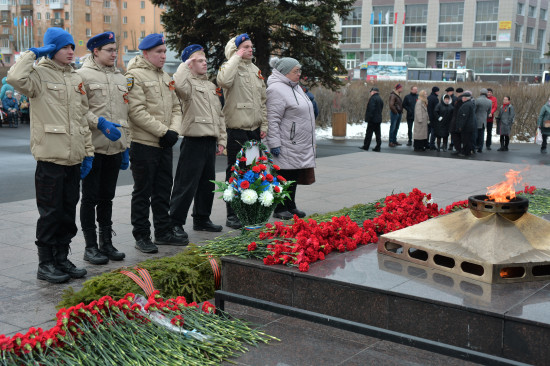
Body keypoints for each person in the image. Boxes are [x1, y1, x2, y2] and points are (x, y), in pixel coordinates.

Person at [7, 27, 93, 283]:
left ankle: (61, 258)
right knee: (51, 213)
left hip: (74, 158)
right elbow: (13, 78)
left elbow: (81, 118)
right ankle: (45, 264)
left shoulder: (76, 78)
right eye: (65, 47)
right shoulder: (38, 75)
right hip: (51, 158)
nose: (70, 51)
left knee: (68, 213)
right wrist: (31, 53)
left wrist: (87, 152)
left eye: (72, 48)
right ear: (52, 49)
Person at [125, 33, 185, 254]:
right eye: (158, 52)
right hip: (144, 144)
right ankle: (141, 235)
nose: (163, 55)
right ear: (145, 53)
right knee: (142, 192)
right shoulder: (134, 76)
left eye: (164, 51)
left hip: (165, 143)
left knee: (162, 190)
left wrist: (174, 132)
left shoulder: (165, 76)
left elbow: (177, 108)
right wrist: (163, 131)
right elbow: (136, 112)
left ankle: (163, 231)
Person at [77, 32, 130, 265]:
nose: (114, 53)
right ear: (95, 51)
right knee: (90, 198)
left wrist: (125, 144)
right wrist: (99, 122)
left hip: (115, 148)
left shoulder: (120, 78)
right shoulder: (82, 75)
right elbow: (79, 110)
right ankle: (90, 247)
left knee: (107, 197)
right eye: (109, 50)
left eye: (115, 49)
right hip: (92, 148)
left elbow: (124, 115)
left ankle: (106, 243)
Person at [169, 44, 227, 235]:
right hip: (193, 141)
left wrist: (221, 140)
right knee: (185, 185)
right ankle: (175, 222)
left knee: (207, 184)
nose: (204, 63)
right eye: (199, 60)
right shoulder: (187, 84)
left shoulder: (211, 86)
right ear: (190, 63)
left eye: (205, 60)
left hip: (210, 141)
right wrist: (185, 65)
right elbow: (178, 84)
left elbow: (219, 115)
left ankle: (202, 219)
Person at [217, 33, 268, 229]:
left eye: (251, 46)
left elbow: (262, 101)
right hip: (236, 128)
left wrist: (264, 125)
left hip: (254, 130)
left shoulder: (255, 70)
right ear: (236, 49)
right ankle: (232, 214)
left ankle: (250, 209)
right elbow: (223, 81)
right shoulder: (229, 66)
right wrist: (235, 57)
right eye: (245, 46)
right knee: (235, 171)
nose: (250, 49)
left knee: (254, 171)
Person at [266, 57, 316, 220]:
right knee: (283, 176)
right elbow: (272, 119)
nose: (299, 74)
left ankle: (290, 205)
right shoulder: (276, 89)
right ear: (285, 72)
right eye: (296, 71)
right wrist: (274, 143)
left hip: (297, 142)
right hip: (285, 142)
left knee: (293, 175)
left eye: (299, 70)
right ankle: (279, 208)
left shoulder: (294, 87)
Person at [359, 87, 383, 152]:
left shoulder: (372, 98)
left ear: (373, 92)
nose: (370, 93)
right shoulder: (380, 99)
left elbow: (371, 109)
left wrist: (368, 118)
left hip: (372, 119)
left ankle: (366, 146)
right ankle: (378, 146)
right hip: (378, 119)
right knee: (378, 134)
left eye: (371, 92)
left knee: (369, 133)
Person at [456, 91, 476, 157]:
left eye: (463, 97)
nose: (462, 98)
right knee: (468, 139)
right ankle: (468, 151)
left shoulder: (466, 105)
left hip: (466, 126)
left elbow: (464, 116)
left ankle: (465, 152)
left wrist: (460, 126)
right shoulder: (471, 103)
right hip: (470, 125)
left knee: (465, 140)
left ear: (465, 98)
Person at [474, 88, 492, 153]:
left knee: (475, 134)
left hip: (476, 119)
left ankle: (475, 146)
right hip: (484, 121)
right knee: (482, 135)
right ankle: (480, 148)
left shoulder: (477, 100)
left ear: (480, 93)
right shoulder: (489, 102)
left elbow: (474, 110)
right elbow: (489, 112)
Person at [449, 88, 464, 154]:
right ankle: (458, 149)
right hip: (457, 120)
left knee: (455, 135)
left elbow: (458, 112)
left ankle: (458, 149)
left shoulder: (459, 100)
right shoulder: (461, 100)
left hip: (456, 121)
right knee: (457, 135)